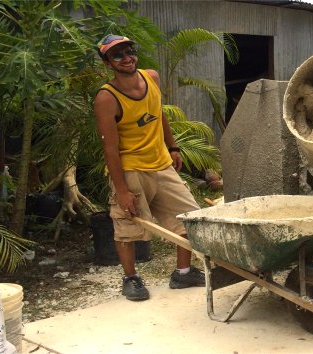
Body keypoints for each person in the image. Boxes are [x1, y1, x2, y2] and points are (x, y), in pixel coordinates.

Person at [93, 34, 205, 301]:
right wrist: (121, 189)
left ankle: (183, 272)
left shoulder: (151, 77)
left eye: (129, 50)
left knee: (189, 216)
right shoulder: (106, 98)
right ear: (108, 63)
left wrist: (173, 146)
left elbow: (159, 112)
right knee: (128, 226)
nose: (127, 58)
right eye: (117, 55)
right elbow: (110, 148)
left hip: (161, 165)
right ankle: (131, 278)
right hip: (131, 169)